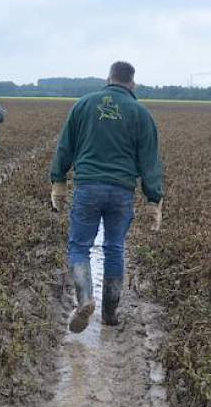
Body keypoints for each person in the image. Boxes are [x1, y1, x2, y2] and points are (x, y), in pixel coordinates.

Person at [49, 61, 163, 331]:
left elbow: (65, 146)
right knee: (114, 247)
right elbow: (150, 161)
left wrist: (58, 181)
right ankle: (110, 314)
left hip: (88, 187)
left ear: (108, 78)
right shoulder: (140, 113)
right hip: (122, 191)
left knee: (79, 246)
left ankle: (85, 299)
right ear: (132, 83)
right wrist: (153, 199)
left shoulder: (84, 105)